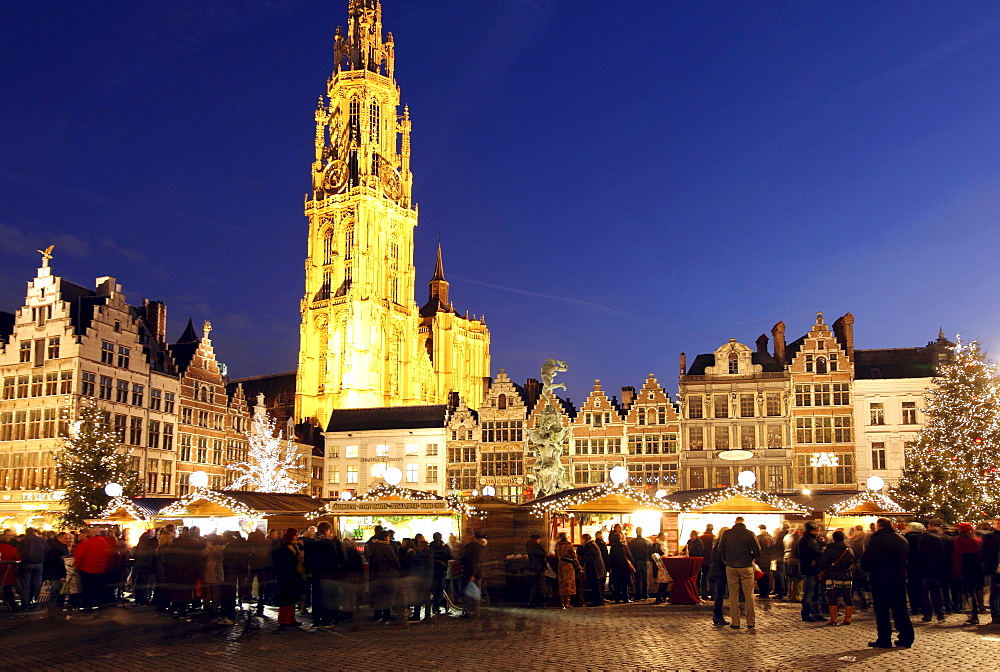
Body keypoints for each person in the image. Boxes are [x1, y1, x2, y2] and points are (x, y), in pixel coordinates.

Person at [861, 518, 914, 649]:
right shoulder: (901, 539)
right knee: (900, 608)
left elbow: (867, 560)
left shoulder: (876, 540)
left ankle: (884, 639)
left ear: (879, 526)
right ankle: (906, 637)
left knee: (882, 610)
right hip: (898, 578)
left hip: (880, 579)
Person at [716, 516, 761, 629]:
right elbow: (758, 551)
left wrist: (727, 560)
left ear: (735, 523)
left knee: (733, 595)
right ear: (743, 523)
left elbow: (720, 550)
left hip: (731, 566)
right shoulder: (750, 534)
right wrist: (750, 558)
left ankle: (735, 622)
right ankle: (750, 622)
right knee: (749, 595)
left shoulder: (727, 534)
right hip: (746, 566)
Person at [818, 530, 855, 625]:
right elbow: (852, 560)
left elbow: (823, 562)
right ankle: (848, 618)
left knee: (832, 597)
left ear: (833, 538)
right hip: (846, 575)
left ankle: (833, 619)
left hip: (833, 575)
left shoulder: (829, 549)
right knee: (848, 597)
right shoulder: (848, 549)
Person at [913, 521, 948, 622]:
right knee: (936, 593)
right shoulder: (937, 539)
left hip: (923, 570)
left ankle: (927, 614)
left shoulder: (921, 539)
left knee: (924, 594)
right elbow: (942, 556)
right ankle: (940, 614)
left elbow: (917, 556)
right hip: (935, 571)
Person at [272, 528, 305, 629]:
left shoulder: (293, 546)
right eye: (295, 535)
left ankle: (291, 618)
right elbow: (284, 562)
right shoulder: (283, 548)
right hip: (286, 577)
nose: (296, 537)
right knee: (286, 599)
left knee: (292, 598)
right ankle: (284, 620)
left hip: (294, 576)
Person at [953, 522, 985, 625]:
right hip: (978, 567)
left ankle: (972, 614)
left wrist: (957, 571)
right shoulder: (978, 540)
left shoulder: (959, 540)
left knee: (968, 592)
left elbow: (958, 556)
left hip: (966, 567)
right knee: (978, 588)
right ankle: (980, 606)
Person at [368, 529, 400, 623]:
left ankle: (377, 614)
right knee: (387, 595)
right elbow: (393, 561)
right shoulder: (386, 548)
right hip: (387, 574)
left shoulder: (373, 547)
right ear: (385, 537)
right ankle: (386, 615)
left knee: (379, 595)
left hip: (376, 575)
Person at [798, 521, 826, 622]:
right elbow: (806, 554)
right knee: (809, 592)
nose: (817, 532)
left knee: (816, 592)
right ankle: (806, 613)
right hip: (809, 570)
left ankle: (816, 613)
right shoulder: (805, 541)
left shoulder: (814, 540)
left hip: (815, 570)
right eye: (815, 530)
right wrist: (814, 558)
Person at [16, 527, 47, 610]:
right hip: (39, 563)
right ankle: (38, 602)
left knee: (26, 584)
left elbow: (19, 552)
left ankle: (25, 603)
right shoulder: (41, 540)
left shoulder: (23, 541)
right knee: (38, 583)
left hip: (27, 563)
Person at [459, 529, 485, 618]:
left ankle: (473, 612)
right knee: (470, 593)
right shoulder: (470, 546)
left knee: (472, 593)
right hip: (470, 573)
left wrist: (472, 574)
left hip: (472, 574)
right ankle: (470, 612)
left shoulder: (474, 547)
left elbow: (475, 561)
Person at [43, 531, 71, 608]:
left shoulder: (58, 545)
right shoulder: (56, 547)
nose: (67, 540)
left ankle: (56, 604)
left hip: (57, 571)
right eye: (65, 538)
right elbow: (53, 560)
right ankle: (53, 605)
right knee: (56, 589)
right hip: (57, 572)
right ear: (59, 538)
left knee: (59, 589)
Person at [554, 532, 581, 609]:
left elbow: (556, 555)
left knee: (562, 584)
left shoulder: (557, 545)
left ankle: (562, 603)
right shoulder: (569, 545)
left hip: (560, 566)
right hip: (568, 566)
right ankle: (567, 603)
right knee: (568, 584)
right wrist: (578, 566)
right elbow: (574, 557)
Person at [579, 533, 606, 606]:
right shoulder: (592, 544)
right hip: (597, 567)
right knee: (597, 584)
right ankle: (598, 601)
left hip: (595, 567)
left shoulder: (589, 545)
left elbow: (586, 556)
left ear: (584, 539)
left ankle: (597, 602)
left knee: (596, 585)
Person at [608, 530, 635, 603]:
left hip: (616, 568)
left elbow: (611, 557)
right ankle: (625, 598)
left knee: (617, 584)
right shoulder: (624, 546)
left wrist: (610, 567)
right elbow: (630, 556)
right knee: (624, 584)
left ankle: (617, 598)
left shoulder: (613, 547)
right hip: (624, 567)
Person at [628, 527, 652, 601]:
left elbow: (630, 553)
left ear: (636, 532)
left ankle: (638, 595)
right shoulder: (647, 541)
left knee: (638, 579)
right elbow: (650, 551)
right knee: (645, 579)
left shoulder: (632, 542)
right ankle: (645, 594)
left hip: (636, 561)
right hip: (646, 561)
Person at [0, 531, 22, 612]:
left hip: (3, 574)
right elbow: (18, 559)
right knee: (7, 589)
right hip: (7, 574)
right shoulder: (11, 549)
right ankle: (13, 606)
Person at [524, 533, 547, 607]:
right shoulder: (535, 547)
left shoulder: (530, 546)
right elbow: (542, 554)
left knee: (534, 584)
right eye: (539, 539)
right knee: (535, 584)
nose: (540, 541)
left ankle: (533, 601)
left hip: (534, 566)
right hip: (536, 567)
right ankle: (533, 601)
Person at [756, 525, 774, 599]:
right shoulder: (771, 537)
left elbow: (756, 548)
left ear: (760, 529)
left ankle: (762, 592)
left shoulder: (759, 537)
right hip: (768, 558)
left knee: (760, 576)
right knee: (766, 576)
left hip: (760, 559)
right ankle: (766, 592)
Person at [699, 524, 715, 600]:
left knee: (704, 578)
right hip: (713, 561)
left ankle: (704, 594)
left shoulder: (701, 538)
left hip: (703, 561)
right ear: (712, 529)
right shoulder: (714, 538)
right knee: (712, 578)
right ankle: (713, 595)